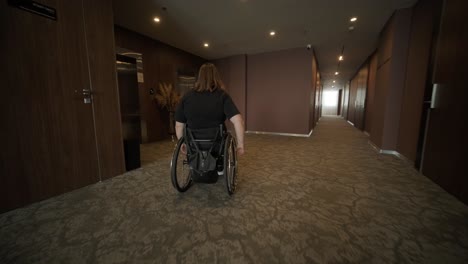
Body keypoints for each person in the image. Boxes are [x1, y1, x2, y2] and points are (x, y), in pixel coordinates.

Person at [174, 63, 245, 156]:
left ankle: (195, 166)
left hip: (194, 143)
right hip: (217, 144)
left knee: (193, 154)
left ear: (199, 77)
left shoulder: (187, 97)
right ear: (216, 77)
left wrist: (182, 143)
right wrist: (240, 145)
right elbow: (238, 121)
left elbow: (179, 125)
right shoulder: (222, 95)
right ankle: (220, 170)